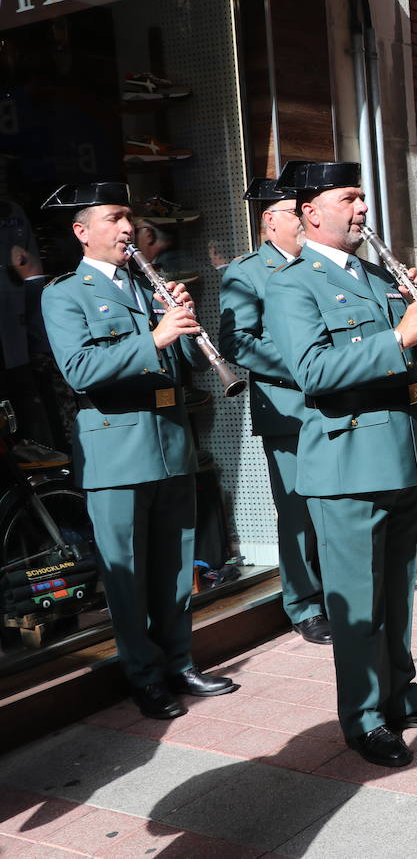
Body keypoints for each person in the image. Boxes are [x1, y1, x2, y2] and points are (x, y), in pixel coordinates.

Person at [263, 161, 417, 767]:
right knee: (355, 606)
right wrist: (398, 338)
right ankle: (364, 717)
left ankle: (402, 693)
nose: (362, 209)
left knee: (397, 595)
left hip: (398, 455)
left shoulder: (375, 275)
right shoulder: (291, 283)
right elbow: (313, 372)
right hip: (346, 462)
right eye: (349, 198)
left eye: (362, 198)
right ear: (311, 213)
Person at [41, 182, 239, 720]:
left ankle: (179, 663)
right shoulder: (64, 293)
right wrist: (152, 338)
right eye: (114, 218)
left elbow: (187, 368)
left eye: (130, 217)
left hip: (171, 445)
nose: (128, 228)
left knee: (175, 567)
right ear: (82, 232)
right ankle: (144, 676)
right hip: (116, 454)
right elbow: (79, 371)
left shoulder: (144, 285)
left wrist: (186, 330)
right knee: (127, 576)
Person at [218, 177, 330, 644]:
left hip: (334, 402)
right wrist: (308, 365)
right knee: (299, 510)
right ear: (271, 220)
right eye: (295, 210)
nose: (305, 218)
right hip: (289, 406)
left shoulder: (321, 263)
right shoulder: (248, 271)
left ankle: (340, 594)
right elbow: (237, 340)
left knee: (334, 506)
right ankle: (304, 604)